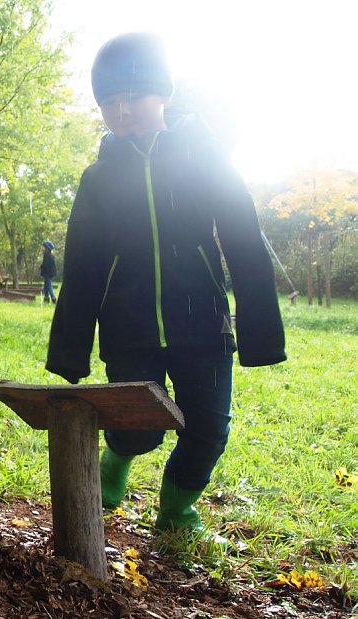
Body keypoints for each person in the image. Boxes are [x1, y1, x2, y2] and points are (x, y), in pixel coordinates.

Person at [45, 32, 286, 534]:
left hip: (204, 325)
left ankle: (177, 509)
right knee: (139, 431)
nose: (122, 109)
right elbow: (83, 265)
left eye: (133, 95)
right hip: (129, 329)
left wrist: (261, 333)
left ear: (163, 95)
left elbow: (244, 236)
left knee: (208, 431)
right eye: (110, 100)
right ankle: (117, 463)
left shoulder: (205, 156)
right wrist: (70, 351)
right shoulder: (99, 178)